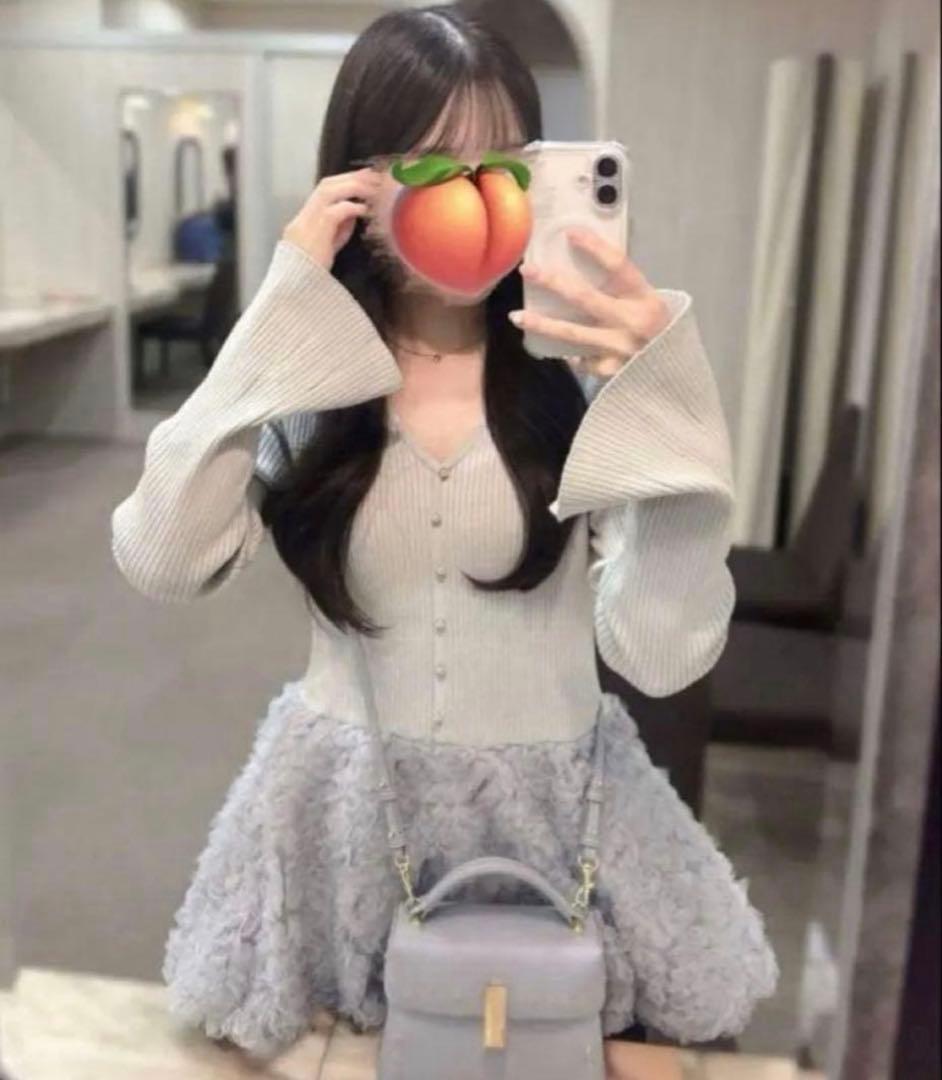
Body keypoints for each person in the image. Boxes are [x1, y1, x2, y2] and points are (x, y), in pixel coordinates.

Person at [110, 5, 778, 1075]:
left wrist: (671, 415)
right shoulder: (307, 379)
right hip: (336, 820)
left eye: (502, 166)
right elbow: (162, 559)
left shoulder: (578, 383)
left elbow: (662, 655)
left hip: (557, 823)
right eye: (430, 165)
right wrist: (279, 315)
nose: (473, 199)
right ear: (354, 184)